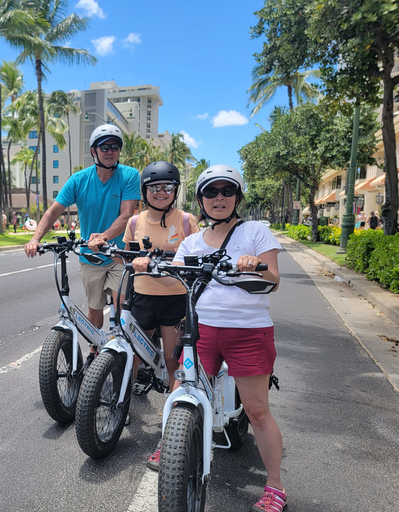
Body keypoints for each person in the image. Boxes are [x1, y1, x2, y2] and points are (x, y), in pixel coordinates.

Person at [133, 164, 285, 512]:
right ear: (201, 199)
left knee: (258, 410)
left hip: (249, 331)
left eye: (226, 191)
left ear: (237, 197)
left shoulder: (256, 232)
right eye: (211, 192)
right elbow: (176, 281)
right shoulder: (191, 242)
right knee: (181, 389)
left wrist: (251, 264)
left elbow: (274, 279)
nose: (219, 198)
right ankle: (170, 443)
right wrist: (149, 266)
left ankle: (275, 485)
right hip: (201, 329)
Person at [25, 123, 140, 335]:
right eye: (104, 147)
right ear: (93, 151)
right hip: (90, 256)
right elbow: (53, 212)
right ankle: (95, 351)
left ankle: (122, 349)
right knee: (94, 310)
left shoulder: (129, 175)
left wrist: (104, 237)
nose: (110, 151)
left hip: (118, 254)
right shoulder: (79, 180)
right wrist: (35, 238)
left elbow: (126, 214)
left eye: (115, 147)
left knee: (120, 304)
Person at [123, 161, 199, 451]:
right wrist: (133, 259)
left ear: (175, 191)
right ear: (145, 191)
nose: (161, 192)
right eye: (155, 187)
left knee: (171, 360)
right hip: (142, 296)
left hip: (175, 298)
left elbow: (199, 253)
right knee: (133, 356)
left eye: (167, 187)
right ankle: (122, 404)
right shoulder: (134, 222)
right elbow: (126, 257)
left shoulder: (186, 221)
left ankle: (172, 421)